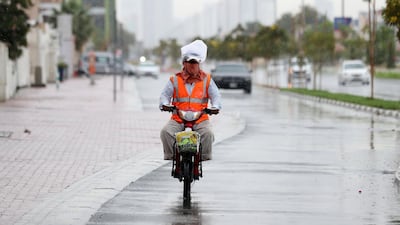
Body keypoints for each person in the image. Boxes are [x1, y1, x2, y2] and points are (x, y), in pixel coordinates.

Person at [159, 40, 222, 161]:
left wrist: (215, 107)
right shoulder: (175, 80)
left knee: (208, 134)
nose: (192, 65)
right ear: (184, 63)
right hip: (178, 118)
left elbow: (216, 96)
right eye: (189, 62)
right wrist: (165, 104)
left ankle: (203, 157)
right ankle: (173, 156)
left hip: (200, 118)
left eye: (195, 62)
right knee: (165, 132)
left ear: (199, 63)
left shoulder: (207, 80)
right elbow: (164, 95)